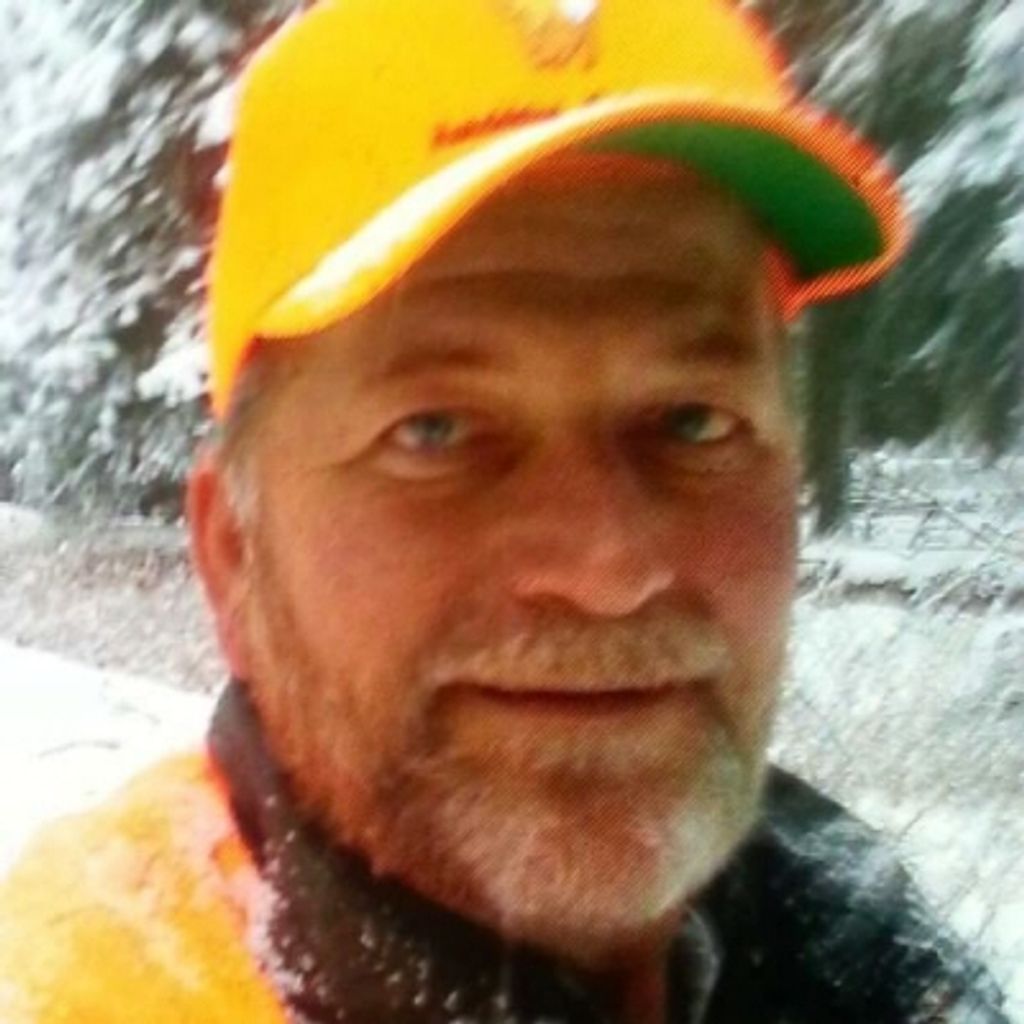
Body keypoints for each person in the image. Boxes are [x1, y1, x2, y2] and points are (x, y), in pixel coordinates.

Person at [0, 0, 1009, 1021]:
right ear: (233, 554)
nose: (608, 569)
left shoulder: (874, 964)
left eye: (693, 421)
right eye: (435, 431)